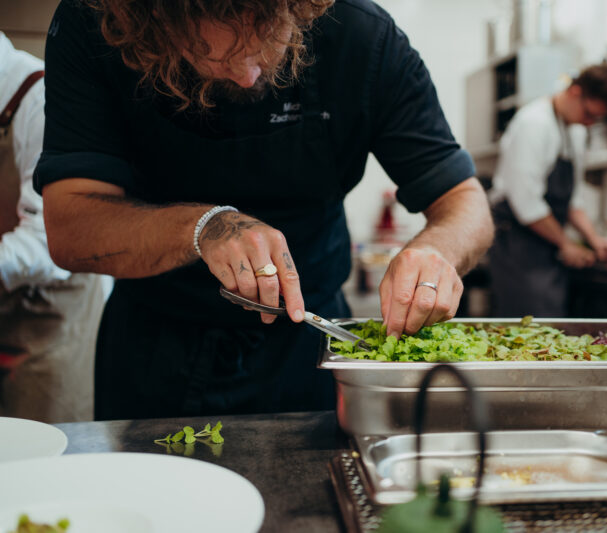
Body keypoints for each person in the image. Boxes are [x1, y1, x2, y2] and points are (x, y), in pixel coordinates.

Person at [35, 0, 493, 421]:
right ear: (155, 23)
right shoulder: (96, 23)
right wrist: (204, 227)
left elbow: (465, 202)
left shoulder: (362, 35)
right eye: (211, 54)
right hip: (154, 350)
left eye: (265, 44)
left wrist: (437, 251)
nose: (247, 76)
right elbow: (70, 226)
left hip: (309, 346)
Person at [0, 31, 112, 423]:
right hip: (6, 310)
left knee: (45, 456)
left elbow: (53, 242)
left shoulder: (40, 99)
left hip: (54, 318)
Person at [488, 63, 607, 318]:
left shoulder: (575, 132)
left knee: (549, 322)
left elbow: (573, 199)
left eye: (595, 120)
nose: (588, 123)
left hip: (545, 244)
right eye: (588, 114)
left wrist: (595, 240)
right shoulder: (533, 123)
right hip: (516, 243)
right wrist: (566, 243)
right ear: (575, 91)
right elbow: (526, 202)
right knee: (527, 326)